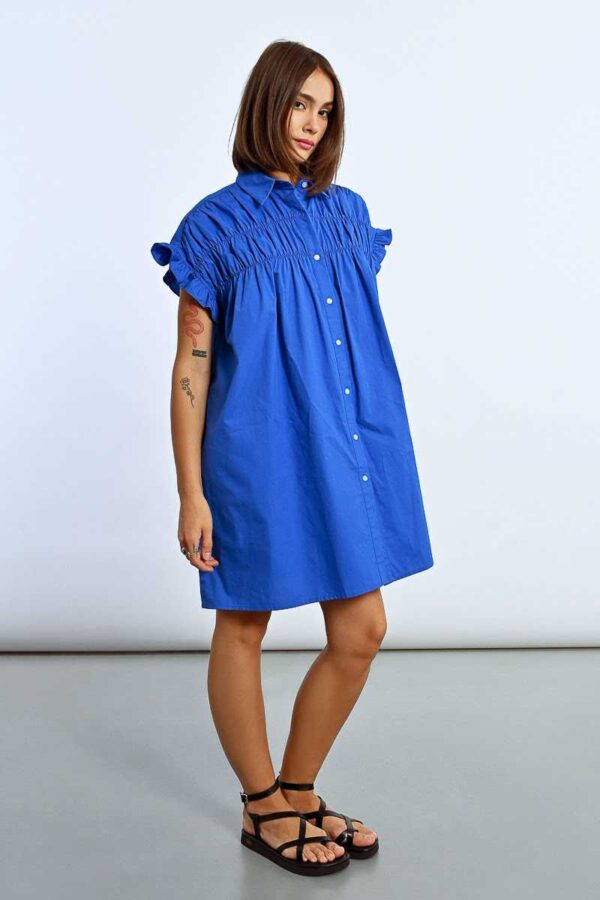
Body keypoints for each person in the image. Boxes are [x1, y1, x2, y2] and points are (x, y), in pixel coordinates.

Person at [150, 39, 434, 877]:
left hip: (350, 444)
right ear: (265, 105)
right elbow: (192, 366)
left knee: (363, 630)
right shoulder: (213, 227)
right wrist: (191, 492)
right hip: (258, 454)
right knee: (244, 622)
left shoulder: (347, 214)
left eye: (325, 109)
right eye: (298, 104)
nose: (311, 124)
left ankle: (299, 788)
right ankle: (260, 803)